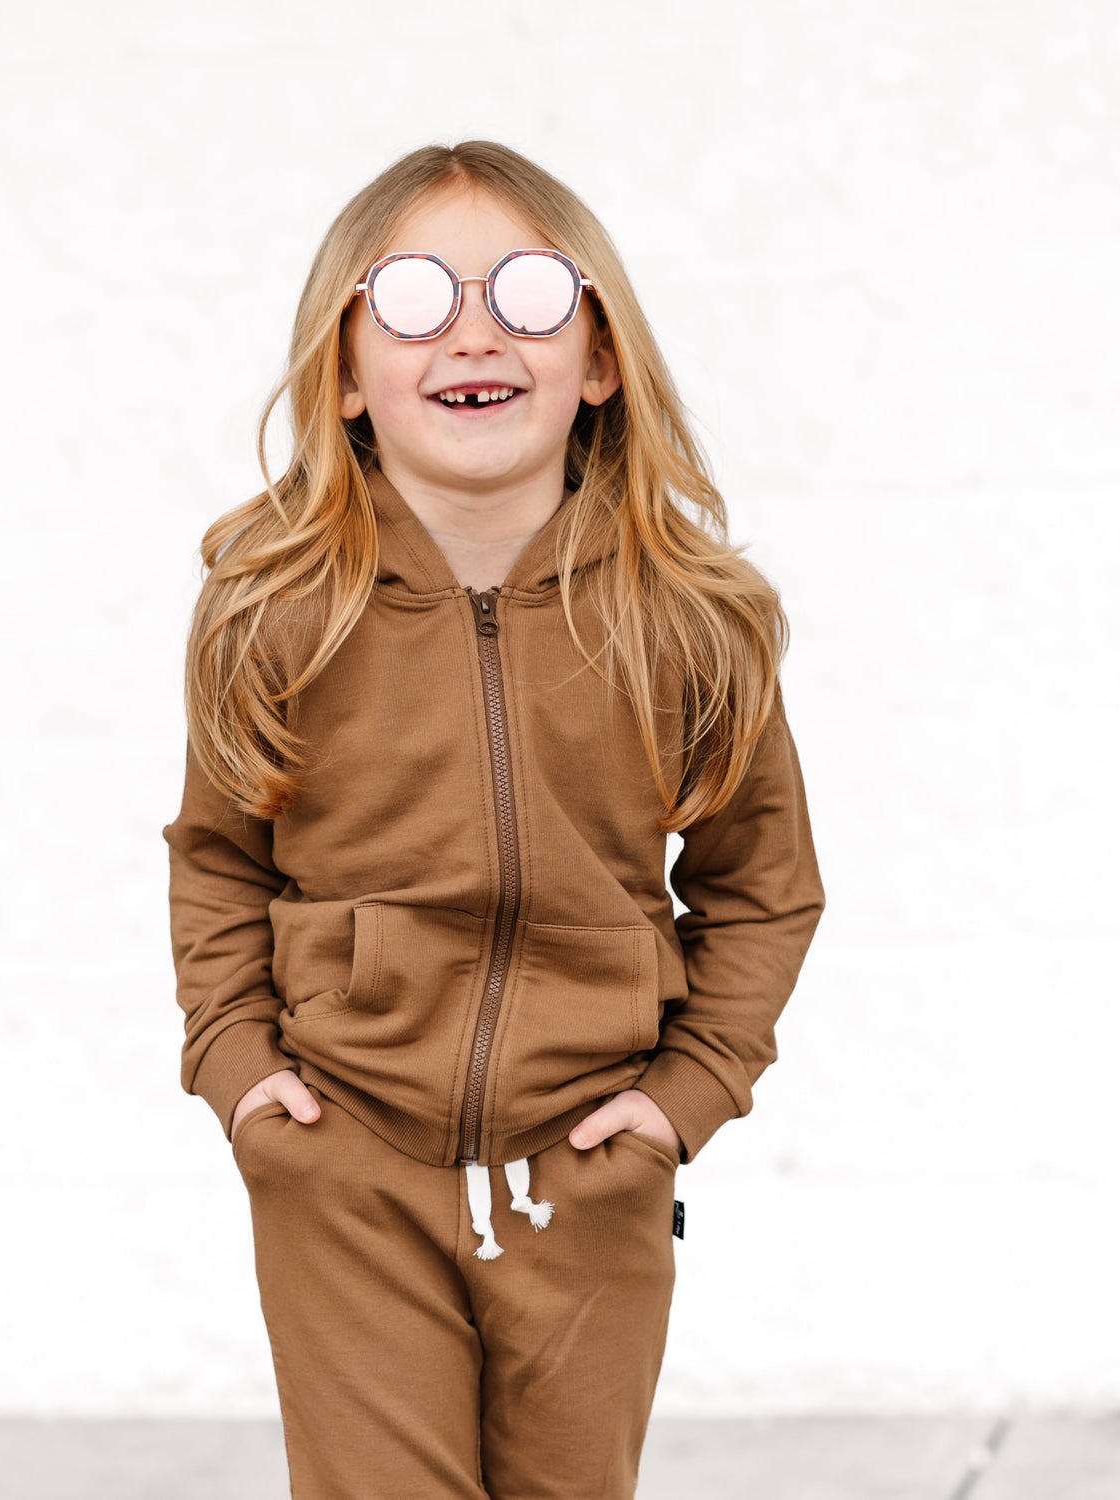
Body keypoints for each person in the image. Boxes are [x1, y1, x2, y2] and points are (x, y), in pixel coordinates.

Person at [161, 138, 826, 1500]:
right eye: (413, 297)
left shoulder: (687, 620)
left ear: (600, 358)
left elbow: (763, 886)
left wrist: (679, 1104)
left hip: (591, 1164)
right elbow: (220, 862)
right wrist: (242, 1078)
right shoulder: (274, 608)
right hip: (341, 1155)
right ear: (347, 372)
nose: (473, 331)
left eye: (529, 292)